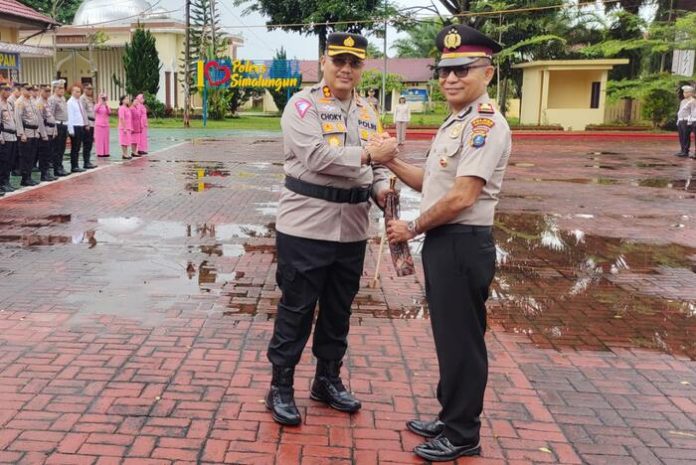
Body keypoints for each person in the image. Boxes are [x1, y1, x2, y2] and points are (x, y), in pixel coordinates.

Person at [383, 24, 511, 462]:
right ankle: (451, 415)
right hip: (445, 243)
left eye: (462, 70)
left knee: (462, 341)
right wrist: (391, 161)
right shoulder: (455, 121)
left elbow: (463, 196)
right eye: (443, 71)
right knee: (449, 336)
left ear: (487, 73)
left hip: (461, 242)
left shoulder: (484, 125)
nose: (450, 79)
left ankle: (462, 434)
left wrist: (411, 227)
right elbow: (433, 182)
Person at [265, 32, 399, 426]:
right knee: (297, 309)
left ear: (362, 68)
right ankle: (280, 386)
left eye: (354, 63)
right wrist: (373, 154)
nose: (345, 68)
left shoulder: (367, 111)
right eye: (338, 60)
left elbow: (375, 169)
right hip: (306, 227)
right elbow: (318, 157)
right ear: (324, 62)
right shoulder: (302, 106)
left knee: (339, 311)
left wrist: (381, 190)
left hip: (353, 230)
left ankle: (327, 380)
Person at [15, 84, 47, 186]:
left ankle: (29, 177)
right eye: (28, 89)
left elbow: (37, 117)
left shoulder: (32, 101)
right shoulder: (19, 102)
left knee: (32, 156)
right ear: (22, 90)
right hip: (26, 132)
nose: (30, 91)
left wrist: (38, 131)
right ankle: (25, 179)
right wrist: (21, 133)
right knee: (25, 157)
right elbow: (18, 119)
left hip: (34, 132)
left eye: (31, 90)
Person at [36, 85, 58, 182]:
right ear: (41, 91)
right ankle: (44, 174)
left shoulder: (48, 102)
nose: (48, 93)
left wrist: (55, 129)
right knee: (44, 154)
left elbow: (52, 116)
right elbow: (40, 120)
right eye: (46, 91)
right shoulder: (39, 103)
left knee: (49, 154)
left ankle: (47, 172)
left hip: (50, 130)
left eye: (50, 91)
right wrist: (43, 134)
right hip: (44, 132)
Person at [49, 79, 70, 177]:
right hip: (57, 125)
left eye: (63, 88)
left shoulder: (63, 99)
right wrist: (54, 129)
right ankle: (56, 169)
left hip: (64, 125)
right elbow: (51, 114)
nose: (62, 90)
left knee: (62, 148)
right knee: (56, 149)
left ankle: (60, 166)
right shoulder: (53, 99)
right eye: (60, 88)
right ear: (55, 89)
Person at [0, 83, 18, 195]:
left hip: (12, 136)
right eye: (6, 89)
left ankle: (6, 181)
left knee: (10, 161)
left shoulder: (9, 104)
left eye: (9, 89)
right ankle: (2, 183)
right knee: (3, 161)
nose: (8, 92)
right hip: (4, 137)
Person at [67, 84, 87, 173]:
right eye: (76, 91)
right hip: (75, 126)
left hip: (80, 125)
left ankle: (76, 164)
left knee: (78, 147)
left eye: (79, 91)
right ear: (72, 92)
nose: (78, 93)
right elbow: (70, 117)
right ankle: (74, 166)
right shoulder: (70, 102)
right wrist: (70, 130)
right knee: (74, 148)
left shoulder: (79, 102)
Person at [80, 83, 97, 169]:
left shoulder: (90, 99)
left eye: (91, 89)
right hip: (87, 124)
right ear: (84, 89)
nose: (90, 90)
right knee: (87, 143)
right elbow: (83, 112)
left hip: (92, 123)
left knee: (90, 143)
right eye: (88, 89)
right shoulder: (82, 98)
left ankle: (88, 160)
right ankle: (86, 162)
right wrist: (86, 123)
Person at [676, 85, 694, 158]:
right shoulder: (683, 101)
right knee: (681, 136)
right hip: (681, 120)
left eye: (686, 92)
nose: (684, 94)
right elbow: (680, 111)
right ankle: (682, 150)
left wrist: (690, 121)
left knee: (686, 136)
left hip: (687, 120)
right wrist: (678, 120)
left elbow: (693, 112)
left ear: (690, 93)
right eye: (684, 92)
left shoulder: (693, 101)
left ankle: (686, 151)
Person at [94, 92, 111, 157]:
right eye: (102, 97)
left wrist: (106, 105)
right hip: (99, 125)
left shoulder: (106, 106)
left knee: (106, 139)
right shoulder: (97, 105)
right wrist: (100, 103)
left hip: (106, 125)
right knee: (99, 139)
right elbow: (95, 110)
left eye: (104, 98)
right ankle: (100, 153)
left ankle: (106, 152)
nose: (103, 99)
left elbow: (109, 112)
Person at [118, 95, 133, 159]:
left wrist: (130, 127)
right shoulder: (121, 108)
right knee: (124, 141)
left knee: (127, 141)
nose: (127, 100)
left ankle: (126, 153)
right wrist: (124, 128)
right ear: (122, 100)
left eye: (128, 99)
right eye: (126, 99)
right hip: (123, 127)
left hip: (128, 127)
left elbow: (129, 118)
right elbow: (122, 118)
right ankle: (124, 154)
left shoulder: (127, 108)